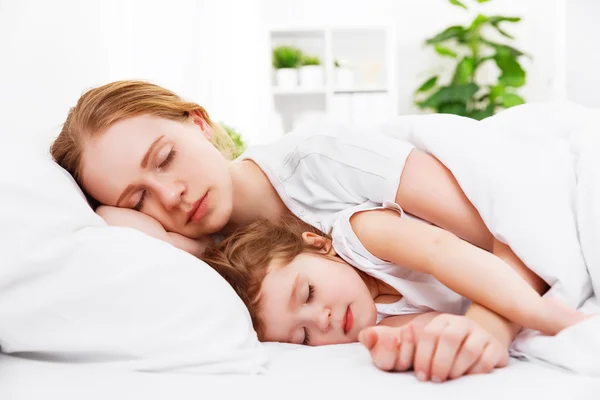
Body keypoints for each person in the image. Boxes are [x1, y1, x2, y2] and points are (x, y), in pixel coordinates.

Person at [51, 80, 554, 382]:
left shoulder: (318, 159)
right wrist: (193, 240)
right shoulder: (239, 270)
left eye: (165, 158)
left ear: (199, 124)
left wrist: (487, 330)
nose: (171, 196)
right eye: (138, 198)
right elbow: (111, 228)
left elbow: (508, 225)